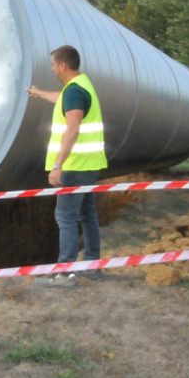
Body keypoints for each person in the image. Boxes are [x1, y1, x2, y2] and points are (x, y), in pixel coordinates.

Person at [27, 45, 108, 287]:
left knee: (66, 217)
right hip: (88, 164)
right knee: (87, 215)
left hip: (74, 166)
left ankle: (65, 272)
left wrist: (57, 164)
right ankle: (92, 265)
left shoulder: (74, 92)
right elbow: (63, 100)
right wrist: (39, 93)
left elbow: (72, 129)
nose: (52, 68)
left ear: (62, 65)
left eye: (53, 64)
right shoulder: (80, 85)